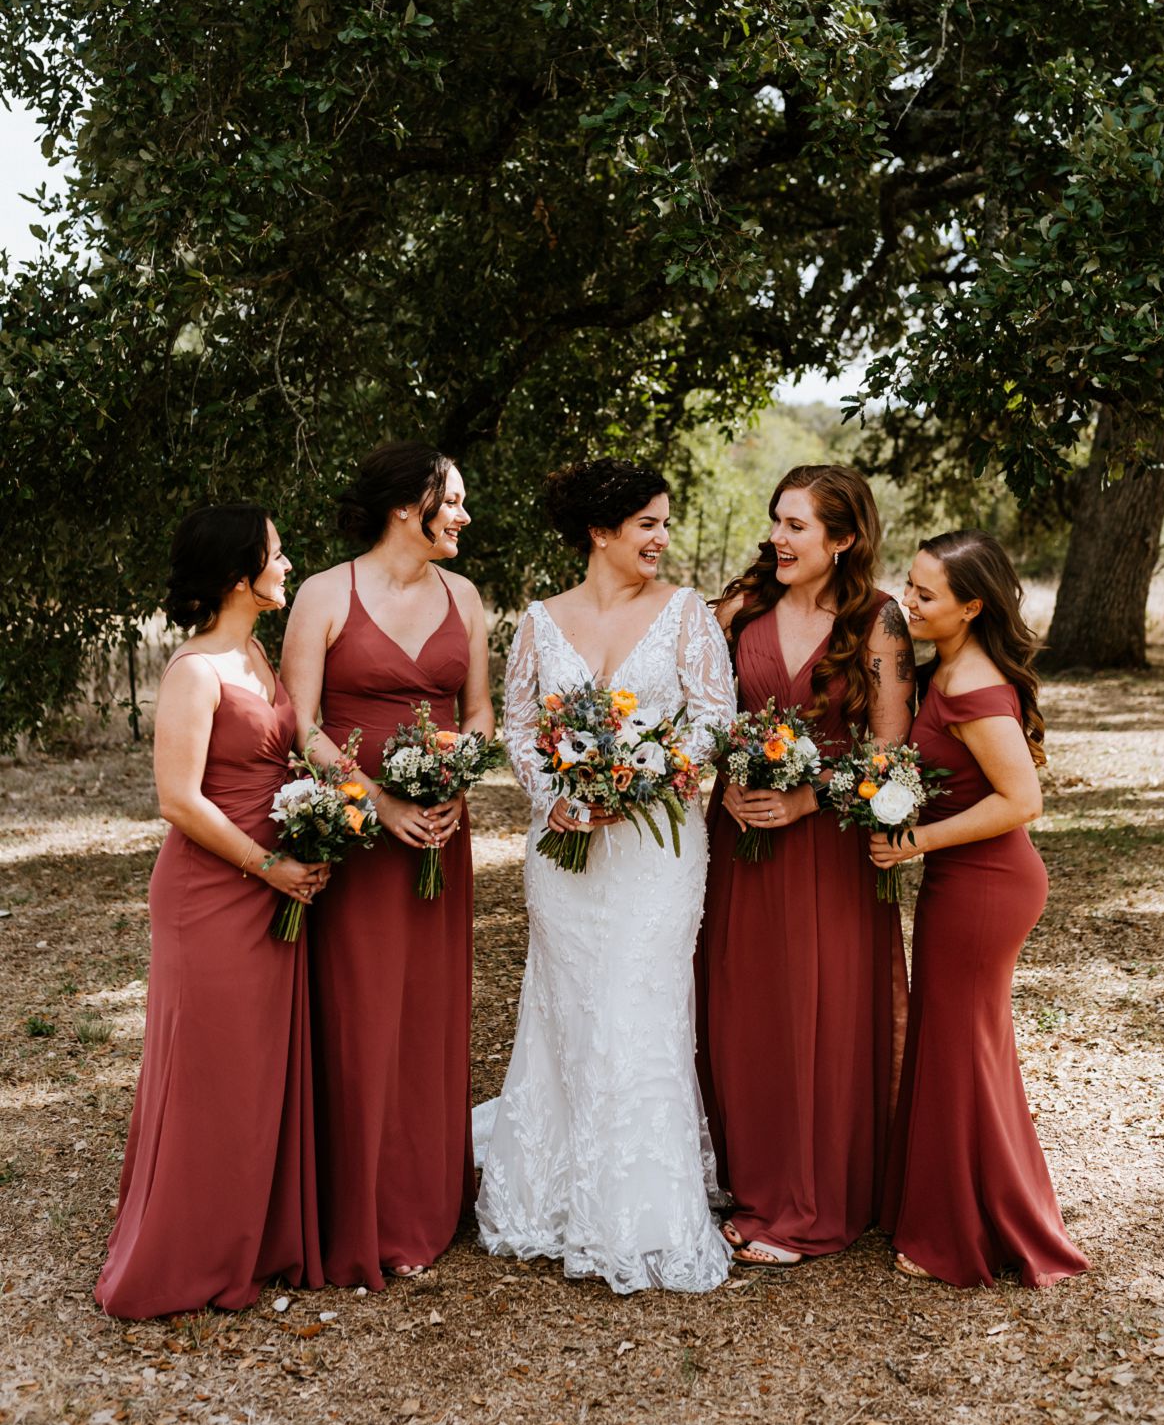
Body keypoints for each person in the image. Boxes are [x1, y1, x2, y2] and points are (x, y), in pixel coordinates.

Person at [476, 458, 737, 1294]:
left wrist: (649, 781)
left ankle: (644, 1215)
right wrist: (556, 795)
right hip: (566, 850)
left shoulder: (688, 614)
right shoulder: (538, 623)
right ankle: (551, 1199)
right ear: (600, 532)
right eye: (648, 524)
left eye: (665, 523)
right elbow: (520, 725)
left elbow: (712, 720)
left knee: (638, 1002)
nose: (663, 538)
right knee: (569, 1005)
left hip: (658, 849)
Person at [95, 505, 327, 1319]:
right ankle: (185, 1252)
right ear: (239, 575)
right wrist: (270, 864)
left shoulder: (256, 653)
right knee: (210, 1073)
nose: (289, 562)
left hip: (278, 879)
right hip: (213, 892)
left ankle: (253, 1237)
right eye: (276, 553)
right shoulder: (195, 672)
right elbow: (177, 799)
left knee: (260, 1068)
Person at [281, 442, 493, 1286]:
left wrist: (458, 776)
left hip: (441, 828)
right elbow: (301, 725)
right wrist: (378, 799)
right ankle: (356, 1207)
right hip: (359, 833)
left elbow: (477, 711)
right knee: (362, 1012)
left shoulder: (466, 597)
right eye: (454, 501)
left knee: (429, 1012)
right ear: (409, 504)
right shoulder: (324, 594)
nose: (464, 516)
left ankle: (423, 1204)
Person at [696, 465, 913, 1269]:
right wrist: (723, 783)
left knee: (820, 1011)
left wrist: (808, 799)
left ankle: (814, 1200)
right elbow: (702, 717)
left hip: (826, 849)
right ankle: (757, 1183)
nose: (779, 538)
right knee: (744, 1006)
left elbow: (887, 750)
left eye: (798, 526)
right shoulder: (740, 611)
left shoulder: (880, 623)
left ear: (844, 538)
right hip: (742, 844)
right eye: (776, 521)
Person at [873, 530, 1088, 1288]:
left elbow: (1022, 798)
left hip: (988, 883)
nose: (909, 600)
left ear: (972, 605)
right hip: (963, 879)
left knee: (964, 1049)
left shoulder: (972, 686)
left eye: (926, 594)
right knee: (957, 1042)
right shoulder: (949, 669)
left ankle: (961, 1234)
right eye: (909, 582)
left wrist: (918, 837)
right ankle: (948, 1207)